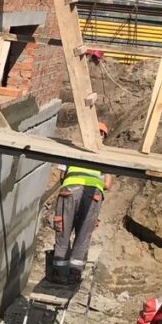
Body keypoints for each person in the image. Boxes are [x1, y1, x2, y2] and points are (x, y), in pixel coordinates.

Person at [51, 121, 113, 284]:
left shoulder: (72, 148)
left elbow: (62, 176)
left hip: (70, 190)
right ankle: (74, 274)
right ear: (103, 136)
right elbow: (107, 184)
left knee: (63, 232)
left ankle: (60, 274)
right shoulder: (106, 154)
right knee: (84, 235)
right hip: (93, 195)